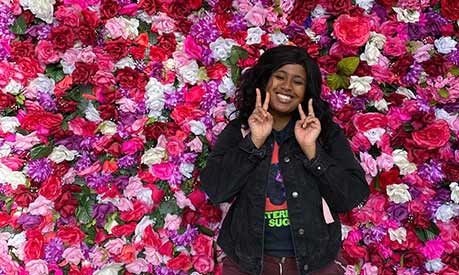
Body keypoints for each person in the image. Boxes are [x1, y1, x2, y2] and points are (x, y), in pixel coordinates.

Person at [199, 45, 370, 275]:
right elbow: (217, 189)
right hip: (248, 264)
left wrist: (312, 151)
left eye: (297, 81)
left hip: (315, 263)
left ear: (306, 90)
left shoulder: (325, 133)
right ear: (264, 81)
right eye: (279, 76)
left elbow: (352, 197)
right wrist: (254, 142)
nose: (287, 86)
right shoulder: (240, 130)